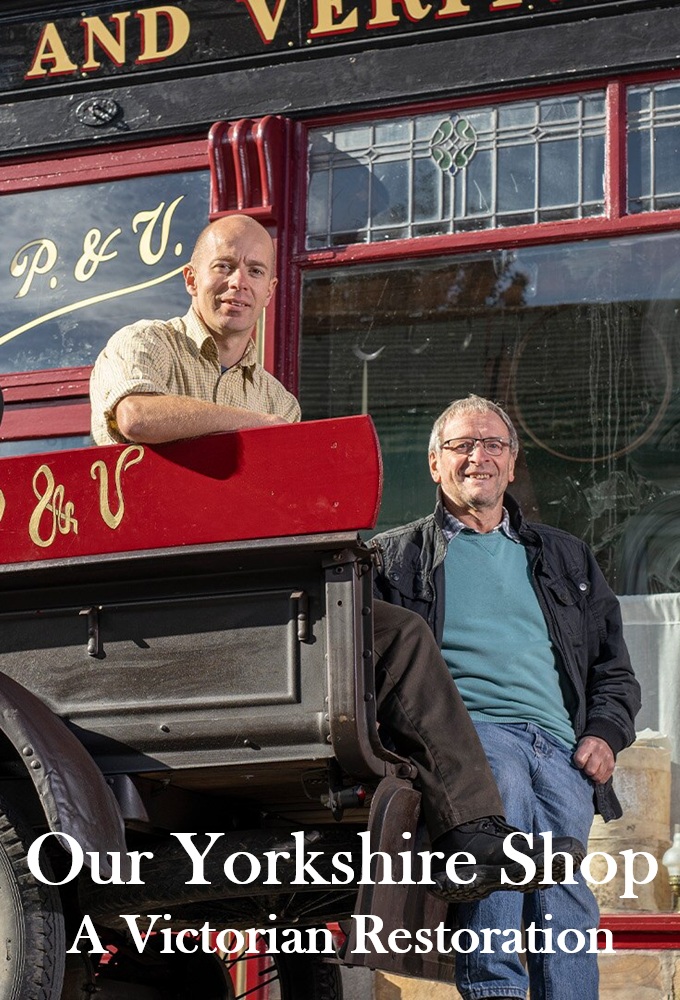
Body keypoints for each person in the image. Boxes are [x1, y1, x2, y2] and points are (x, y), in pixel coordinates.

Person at [90, 216, 583, 904]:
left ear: (270, 290)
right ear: (192, 278)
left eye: (255, 271)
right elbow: (136, 417)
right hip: (156, 596)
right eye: (224, 267)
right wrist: (263, 431)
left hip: (254, 593)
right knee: (393, 634)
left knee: (395, 630)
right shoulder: (149, 345)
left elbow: (287, 509)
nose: (237, 284)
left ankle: (466, 828)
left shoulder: (278, 396)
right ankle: (461, 826)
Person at [372, 394, 641, 1000]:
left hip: (562, 748)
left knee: (565, 891)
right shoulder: (393, 558)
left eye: (493, 445)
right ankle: (495, 992)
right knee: (499, 850)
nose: (479, 457)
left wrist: (604, 734)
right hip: (470, 739)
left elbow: (614, 670)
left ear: (512, 464)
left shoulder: (564, 555)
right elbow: (375, 670)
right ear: (435, 464)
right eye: (462, 445)